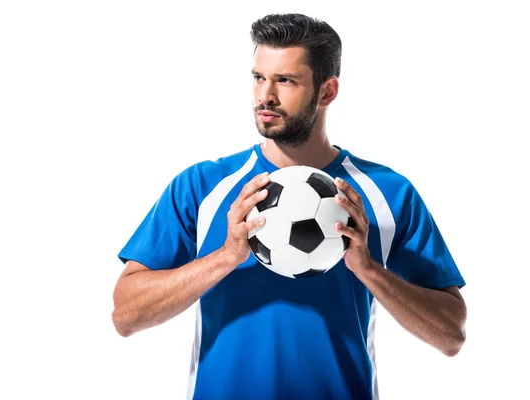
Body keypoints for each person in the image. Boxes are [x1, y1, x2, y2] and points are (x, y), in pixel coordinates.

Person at [112, 13, 467, 400]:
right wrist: (225, 257)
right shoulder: (202, 186)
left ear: (327, 91)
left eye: (285, 80)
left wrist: (369, 270)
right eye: (258, 77)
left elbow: (451, 335)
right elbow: (126, 316)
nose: (265, 95)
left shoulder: (386, 193)